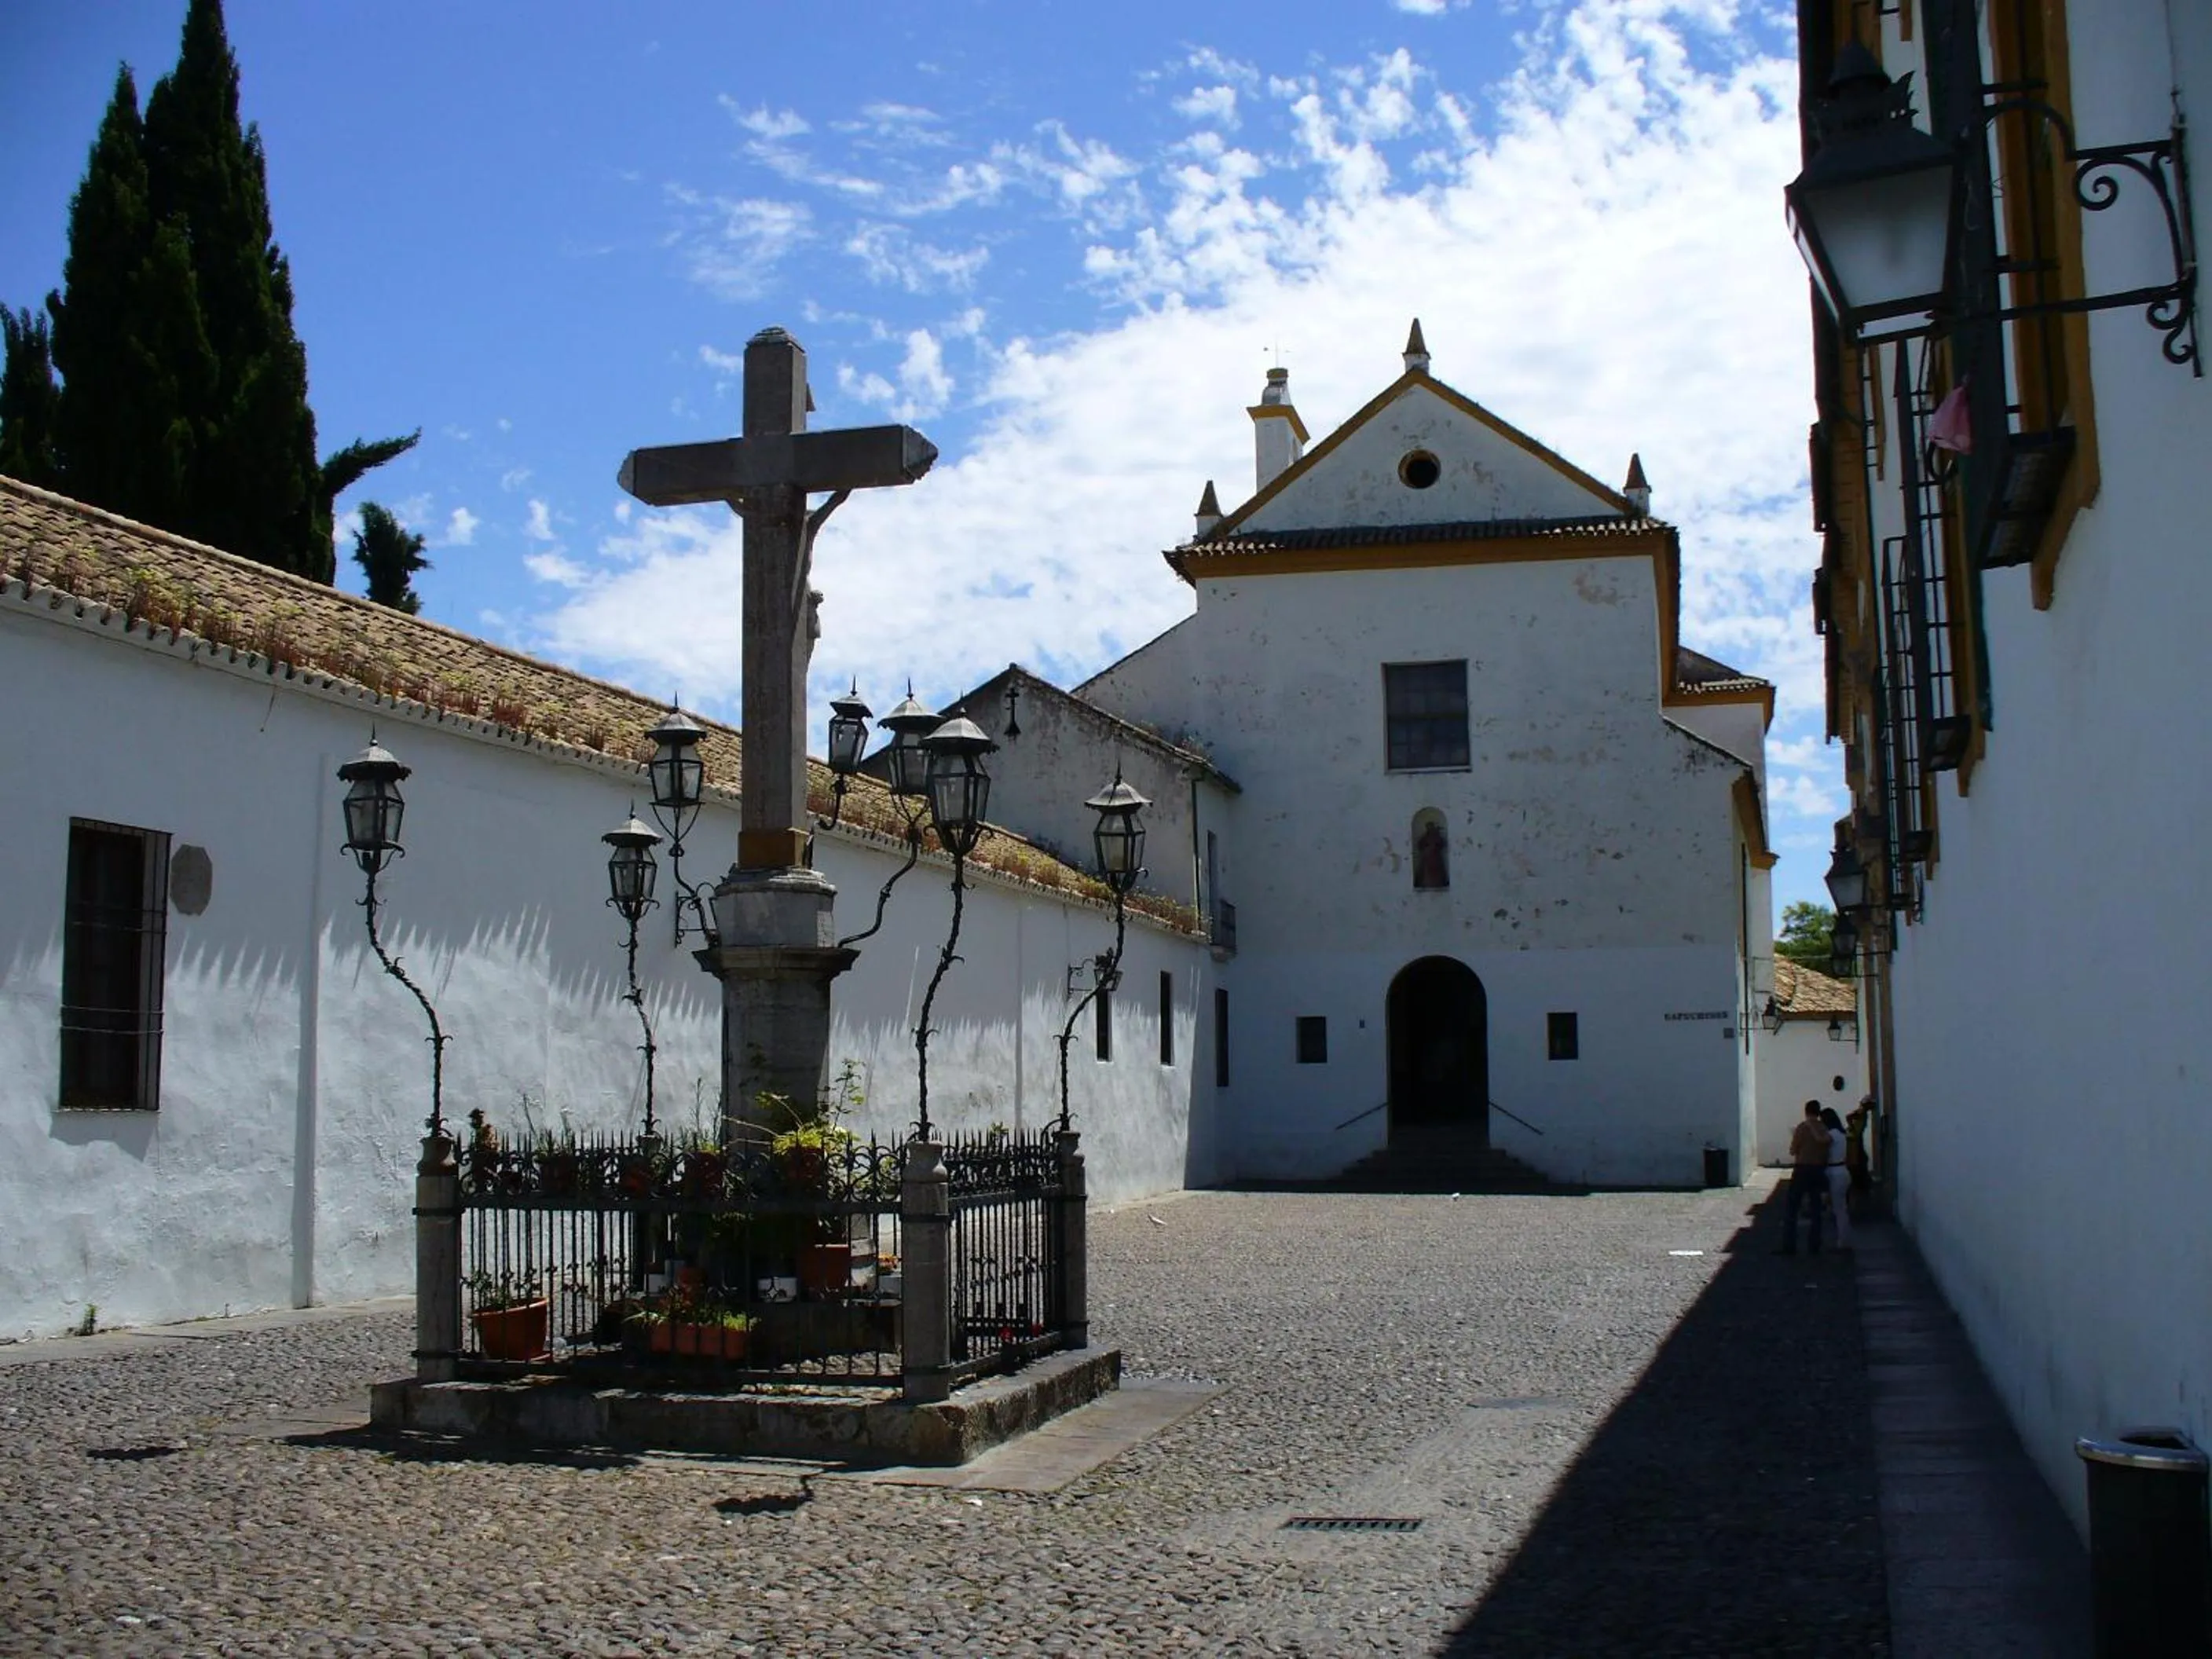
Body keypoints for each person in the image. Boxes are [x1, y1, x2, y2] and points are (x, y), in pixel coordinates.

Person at [1778, 1101, 1828, 1254]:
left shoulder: (1802, 1128)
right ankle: (1814, 1245)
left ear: (1806, 1112)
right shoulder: (1824, 1128)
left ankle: (1789, 1246)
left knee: (1792, 1208)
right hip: (1818, 1170)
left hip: (1802, 1169)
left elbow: (1793, 1150)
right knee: (1816, 1209)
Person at [1821, 1106, 1852, 1251]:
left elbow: (1821, 1142)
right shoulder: (1841, 1133)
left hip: (1835, 1172)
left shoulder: (1832, 1134)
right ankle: (1843, 1238)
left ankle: (1843, 1241)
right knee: (1841, 1208)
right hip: (1843, 1170)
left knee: (1838, 1209)